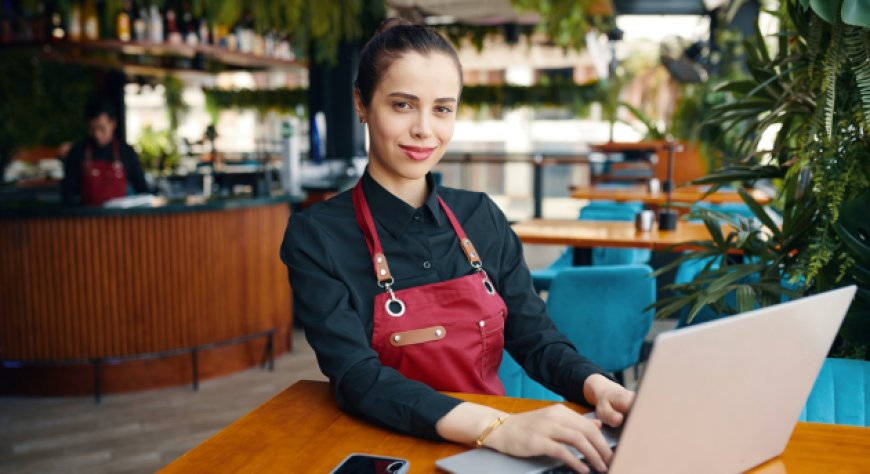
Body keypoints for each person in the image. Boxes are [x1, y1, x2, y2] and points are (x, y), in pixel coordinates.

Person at [280, 19, 633, 474]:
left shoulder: (480, 216)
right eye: (403, 105)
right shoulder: (317, 237)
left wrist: (597, 386)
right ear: (361, 104)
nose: (424, 129)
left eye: (442, 109)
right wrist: (497, 427)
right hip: (391, 451)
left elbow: (536, 339)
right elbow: (357, 379)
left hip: (498, 456)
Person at [61, 97, 149, 205]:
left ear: (113, 124)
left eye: (102, 128)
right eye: (92, 129)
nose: (97, 135)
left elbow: (143, 192)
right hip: (87, 219)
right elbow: (67, 196)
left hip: (121, 219)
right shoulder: (77, 153)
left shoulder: (126, 152)